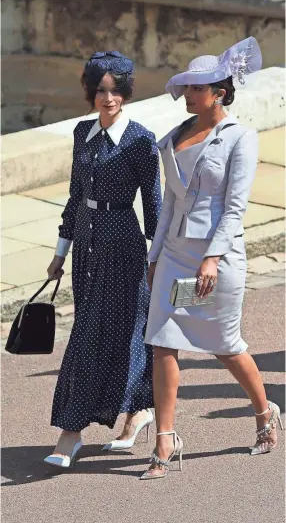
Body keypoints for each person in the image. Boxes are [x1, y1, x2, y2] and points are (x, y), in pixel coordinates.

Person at [141, 37, 283, 480]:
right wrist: (154, 254)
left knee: (224, 346)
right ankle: (165, 440)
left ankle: (264, 412)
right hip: (175, 255)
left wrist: (213, 259)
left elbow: (236, 207)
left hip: (215, 259)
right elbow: (167, 204)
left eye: (195, 88)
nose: (186, 95)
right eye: (185, 87)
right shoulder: (173, 139)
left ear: (218, 92)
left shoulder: (240, 137)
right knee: (162, 341)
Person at [44, 51, 162, 468]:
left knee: (108, 333)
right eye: (100, 90)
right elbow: (75, 197)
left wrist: (159, 261)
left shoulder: (141, 140)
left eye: (114, 90)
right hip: (86, 249)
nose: (107, 98)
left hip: (124, 247)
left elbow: (154, 207)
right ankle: (137, 411)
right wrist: (60, 251)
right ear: (90, 92)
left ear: (126, 93)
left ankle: (71, 431)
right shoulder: (82, 134)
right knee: (100, 330)